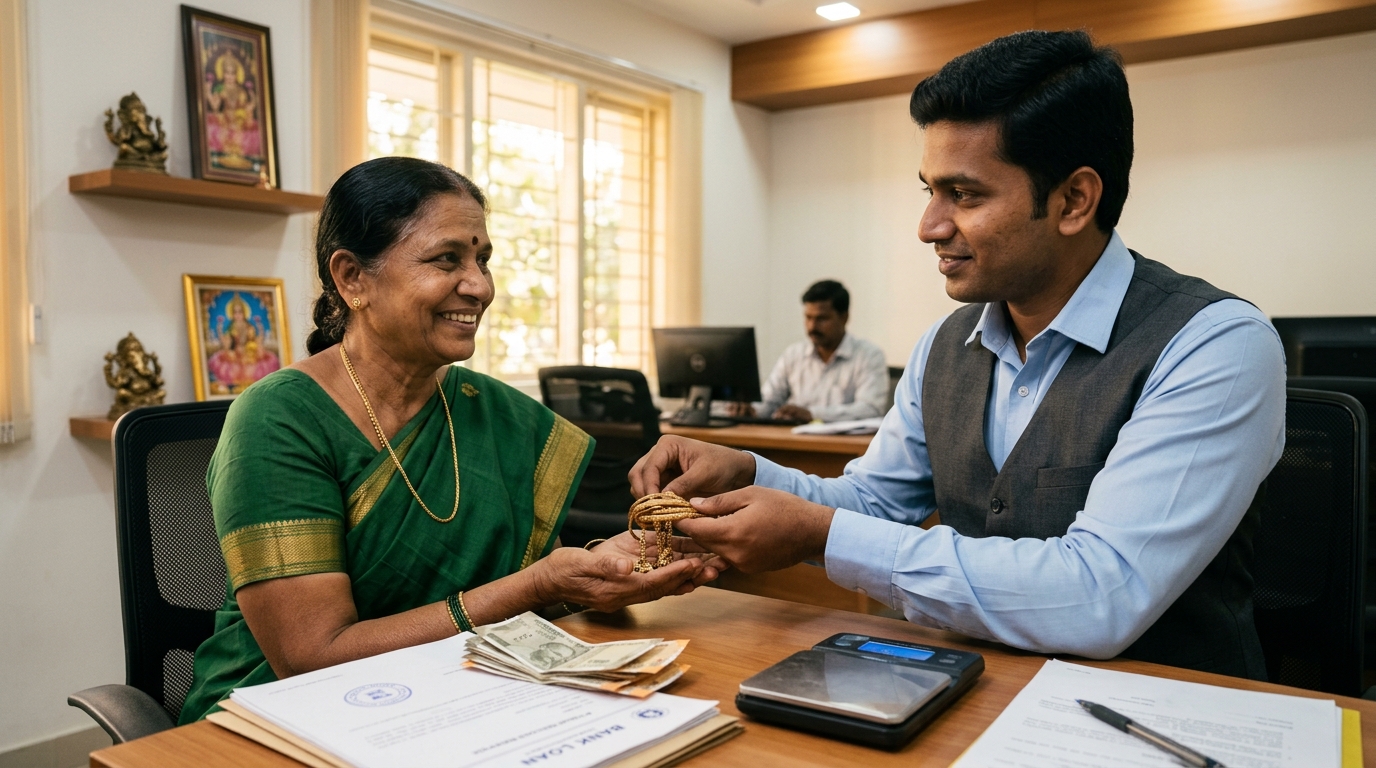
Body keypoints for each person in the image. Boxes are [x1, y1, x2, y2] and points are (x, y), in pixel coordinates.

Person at [630, 31, 1285, 679]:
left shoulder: (1215, 344)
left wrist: (820, 535)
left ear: (1074, 200)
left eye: (964, 195)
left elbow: (1100, 595)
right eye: (929, 191)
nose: (930, 227)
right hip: (974, 689)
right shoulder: (945, 345)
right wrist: (747, 472)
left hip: (1163, 712)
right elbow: (874, 504)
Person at [180, 157, 720, 722]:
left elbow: (525, 576)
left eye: (483, 260)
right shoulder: (278, 420)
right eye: (447, 259)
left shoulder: (495, 413)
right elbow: (311, 656)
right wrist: (537, 587)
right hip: (285, 716)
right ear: (352, 278)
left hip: (459, 695)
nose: (480, 287)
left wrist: (596, 571)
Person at [756, 280, 888, 422]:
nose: (812, 326)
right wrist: (752, 409)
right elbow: (770, 400)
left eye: (822, 319)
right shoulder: (793, 354)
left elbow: (871, 409)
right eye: (808, 317)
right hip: (792, 438)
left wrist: (812, 414)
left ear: (844, 317)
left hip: (840, 442)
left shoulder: (869, 356)